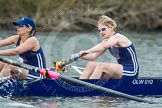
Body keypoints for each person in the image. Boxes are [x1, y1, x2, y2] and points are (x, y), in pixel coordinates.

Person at [71, 15, 139, 79]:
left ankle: (89, 89)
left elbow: (104, 46)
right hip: (120, 71)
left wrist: (88, 50)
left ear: (111, 27)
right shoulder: (106, 41)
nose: (101, 32)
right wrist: (79, 55)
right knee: (91, 64)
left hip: (131, 72)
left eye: (103, 29)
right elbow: (92, 56)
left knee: (101, 66)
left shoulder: (117, 37)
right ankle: (80, 86)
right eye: (99, 30)